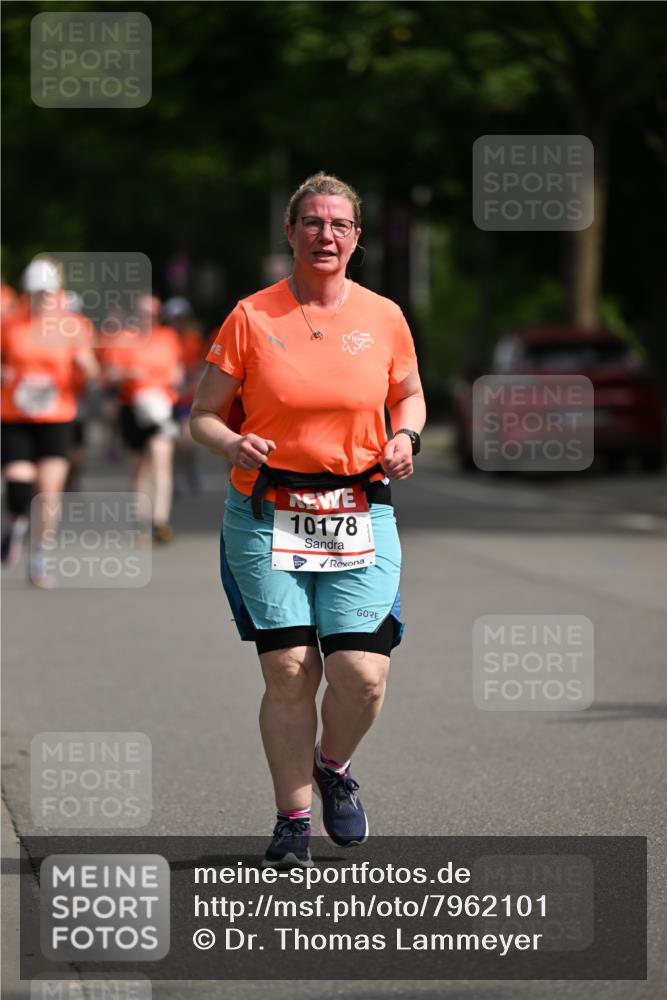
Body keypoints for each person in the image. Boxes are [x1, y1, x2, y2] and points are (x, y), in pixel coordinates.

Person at [190, 172, 426, 867]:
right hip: (268, 511)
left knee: (359, 672)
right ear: (291, 232)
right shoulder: (251, 316)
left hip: (357, 505)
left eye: (340, 225)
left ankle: (332, 766)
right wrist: (232, 442)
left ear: (356, 238)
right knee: (291, 667)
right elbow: (201, 415)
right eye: (313, 223)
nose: (326, 235)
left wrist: (405, 438)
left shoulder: (382, 315)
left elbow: (408, 396)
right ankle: (293, 818)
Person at [1, 258, 98, 586]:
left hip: (57, 415)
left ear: (56, 293)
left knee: (49, 492)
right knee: (19, 486)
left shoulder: (74, 325)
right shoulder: (10, 325)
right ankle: (15, 525)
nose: (42, 299)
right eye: (36, 292)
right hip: (16, 414)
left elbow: (93, 371)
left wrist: (85, 366)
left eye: (47, 293)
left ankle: (39, 556)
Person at [99, 294, 184, 542]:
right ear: (136, 315)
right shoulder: (123, 339)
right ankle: (140, 519)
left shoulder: (168, 338)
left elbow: (177, 369)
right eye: (144, 314)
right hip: (133, 406)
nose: (149, 319)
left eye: (153, 314)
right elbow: (110, 374)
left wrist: (175, 379)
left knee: (161, 459)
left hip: (161, 406)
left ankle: (160, 520)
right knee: (139, 467)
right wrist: (128, 373)